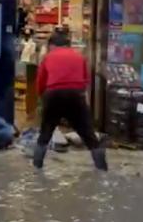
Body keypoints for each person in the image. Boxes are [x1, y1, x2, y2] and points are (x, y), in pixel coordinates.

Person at [33, 30, 108, 171]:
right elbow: (86, 80)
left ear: (52, 45)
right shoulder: (79, 57)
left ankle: (37, 169)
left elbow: (41, 81)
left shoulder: (48, 57)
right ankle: (102, 169)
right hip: (75, 94)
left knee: (45, 133)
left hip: (53, 94)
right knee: (88, 133)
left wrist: (42, 98)